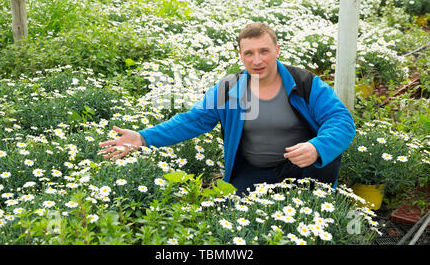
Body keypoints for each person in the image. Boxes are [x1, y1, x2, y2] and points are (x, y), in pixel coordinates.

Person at [98, 22, 356, 195]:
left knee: (313, 216)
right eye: (249, 53)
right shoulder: (228, 89)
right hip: (255, 170)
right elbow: (193, 120)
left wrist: (317, 147)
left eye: (264, 51)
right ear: (240, 56)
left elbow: (340, 119)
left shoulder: (304, 82)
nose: (257, 60)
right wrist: (144, 137)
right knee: (232, 214)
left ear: (277, 50)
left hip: (304, 166)